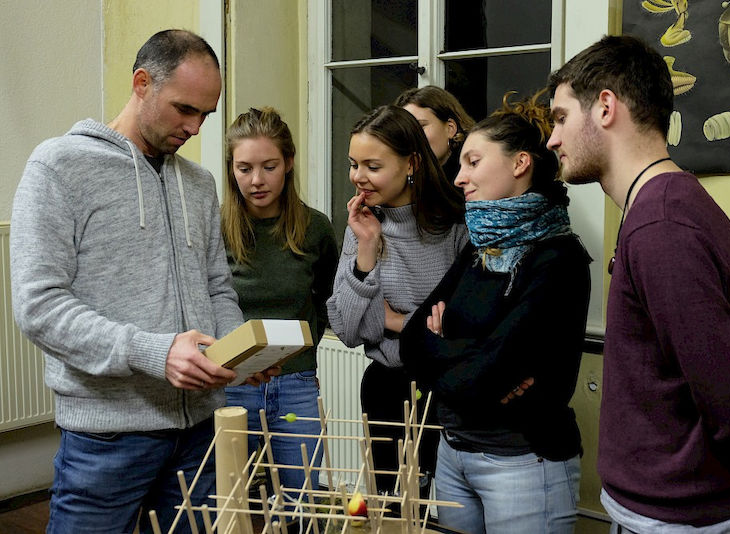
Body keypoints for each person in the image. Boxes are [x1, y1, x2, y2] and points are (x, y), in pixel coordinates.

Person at [10, 30, 276, 534]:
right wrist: (155, 352)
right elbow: (38, 305)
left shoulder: (198, 185)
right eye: (184, 109)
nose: (195, 127)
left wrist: (235, 352)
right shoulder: (58, 167)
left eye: (205, 114)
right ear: (141, 83)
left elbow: (217, 287)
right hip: (106, 439)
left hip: (199, 434)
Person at [546, 34, 730, 533]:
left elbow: (726, 394)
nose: (552, 139)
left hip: (678, 521)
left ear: (604, 107)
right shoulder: (659, 209)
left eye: (559, 117)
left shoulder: (663, 225)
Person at [399, 91, 590, 534]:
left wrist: (448, 350)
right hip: (452, 455)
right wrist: (479, 361)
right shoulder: (479, 248)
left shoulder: (558, 258)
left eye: (473, 162)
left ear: (520, 163)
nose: (459, 177)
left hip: (523, 463)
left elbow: (487, 373)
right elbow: (412, 340)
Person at [326, 105, 468, 499]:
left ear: (412, 164)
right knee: (393, 511)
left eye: (372, 165)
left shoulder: (457, 226)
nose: (358, 177)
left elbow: (462, 328)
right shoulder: (362, 226)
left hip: (448, 390)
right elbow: (348, 329)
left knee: (453, 515)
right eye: (354, 164)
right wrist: (367, 248)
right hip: (385, 389)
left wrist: (394, 321)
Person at [221, 106, 338, 497]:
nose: (256, 180)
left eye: (269, 166)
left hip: (296, 382)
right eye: (244, 168)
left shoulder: (315, 228)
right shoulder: (215, 227)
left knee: (298, 501)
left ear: (288, 163)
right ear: (231, 169)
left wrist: (303, 350)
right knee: (229, 503)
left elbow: (327, 297)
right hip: (232, 383)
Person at [395, 85, 475, 183]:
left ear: (450, 128)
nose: (412, 136)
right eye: (405, 130)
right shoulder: (407, 176)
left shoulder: (474, 175)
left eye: (420, 127)